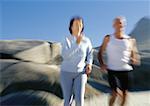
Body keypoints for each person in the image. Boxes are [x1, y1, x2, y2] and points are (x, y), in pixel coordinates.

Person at [97, 16, 140, 106]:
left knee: (125, 94)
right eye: (117, 23)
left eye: (120, 23)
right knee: (115, 93)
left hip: (125, 70)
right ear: (113, 25)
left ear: (124, 25)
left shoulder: (130, 40)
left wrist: (134, 58)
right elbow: (100, 52)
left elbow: (134, 53)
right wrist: (102, 64)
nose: (119, 25)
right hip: (112, 70)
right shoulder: (108, 38)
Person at [60, 16, 93, 106]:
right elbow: (65, 55)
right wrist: (77, 44)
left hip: (80, 72)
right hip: (66, 72)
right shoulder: (66, 39)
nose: (78, 26)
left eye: (80, 24)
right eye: (76, 24)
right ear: (71, 27)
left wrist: (89, 64)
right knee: (67, 100)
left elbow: (90, 53)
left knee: (79, 100)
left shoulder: (87, 40)